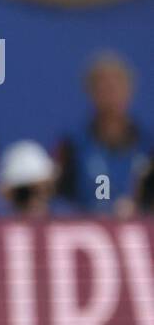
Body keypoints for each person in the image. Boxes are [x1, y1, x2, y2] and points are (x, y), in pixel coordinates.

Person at [56, 52, 148, 217]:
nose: (111, 94)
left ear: (129, 90)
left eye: (116, 86)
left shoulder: (148, 146)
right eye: (103, 87)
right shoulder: (72, 146)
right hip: (87, 233)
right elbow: (59, 202)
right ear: (90, 92)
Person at [0, 140, 59, 218]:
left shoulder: (67, 216)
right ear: (9, 195)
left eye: (44, 189)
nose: (34, 202)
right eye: (24, 193)